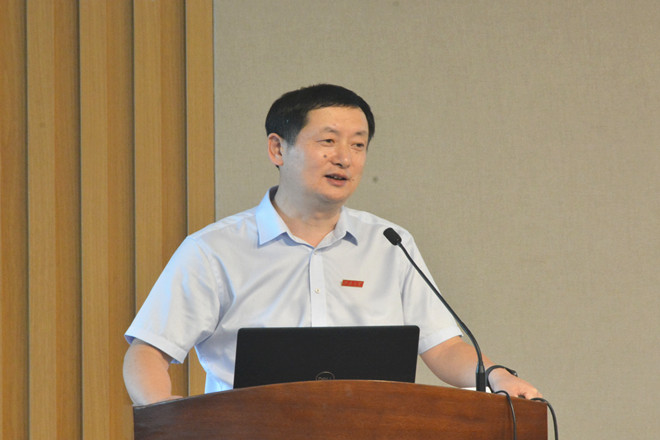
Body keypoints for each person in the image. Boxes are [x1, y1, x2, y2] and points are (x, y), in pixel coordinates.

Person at [123, 84, 541, 405]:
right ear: (277, 149)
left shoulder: (389, 243)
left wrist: (497, 377)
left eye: (358, 144)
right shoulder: (214, 249)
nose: (345, 157)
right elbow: (149, 350)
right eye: (328, 141)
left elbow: (444, 347)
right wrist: (163, 411)